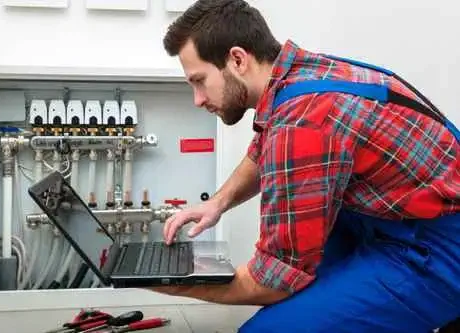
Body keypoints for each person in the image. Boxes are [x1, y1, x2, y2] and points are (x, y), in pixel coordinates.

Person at [152, 0, 460, 332]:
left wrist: (169, 281)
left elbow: (275, 279)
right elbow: (262, 149)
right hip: (393, 218)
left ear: (238, 59)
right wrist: (217, 203)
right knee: (305, 298)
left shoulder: (302, 122)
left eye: (199, 81)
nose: (197, 99)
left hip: (439, 251)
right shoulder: (300, 72)